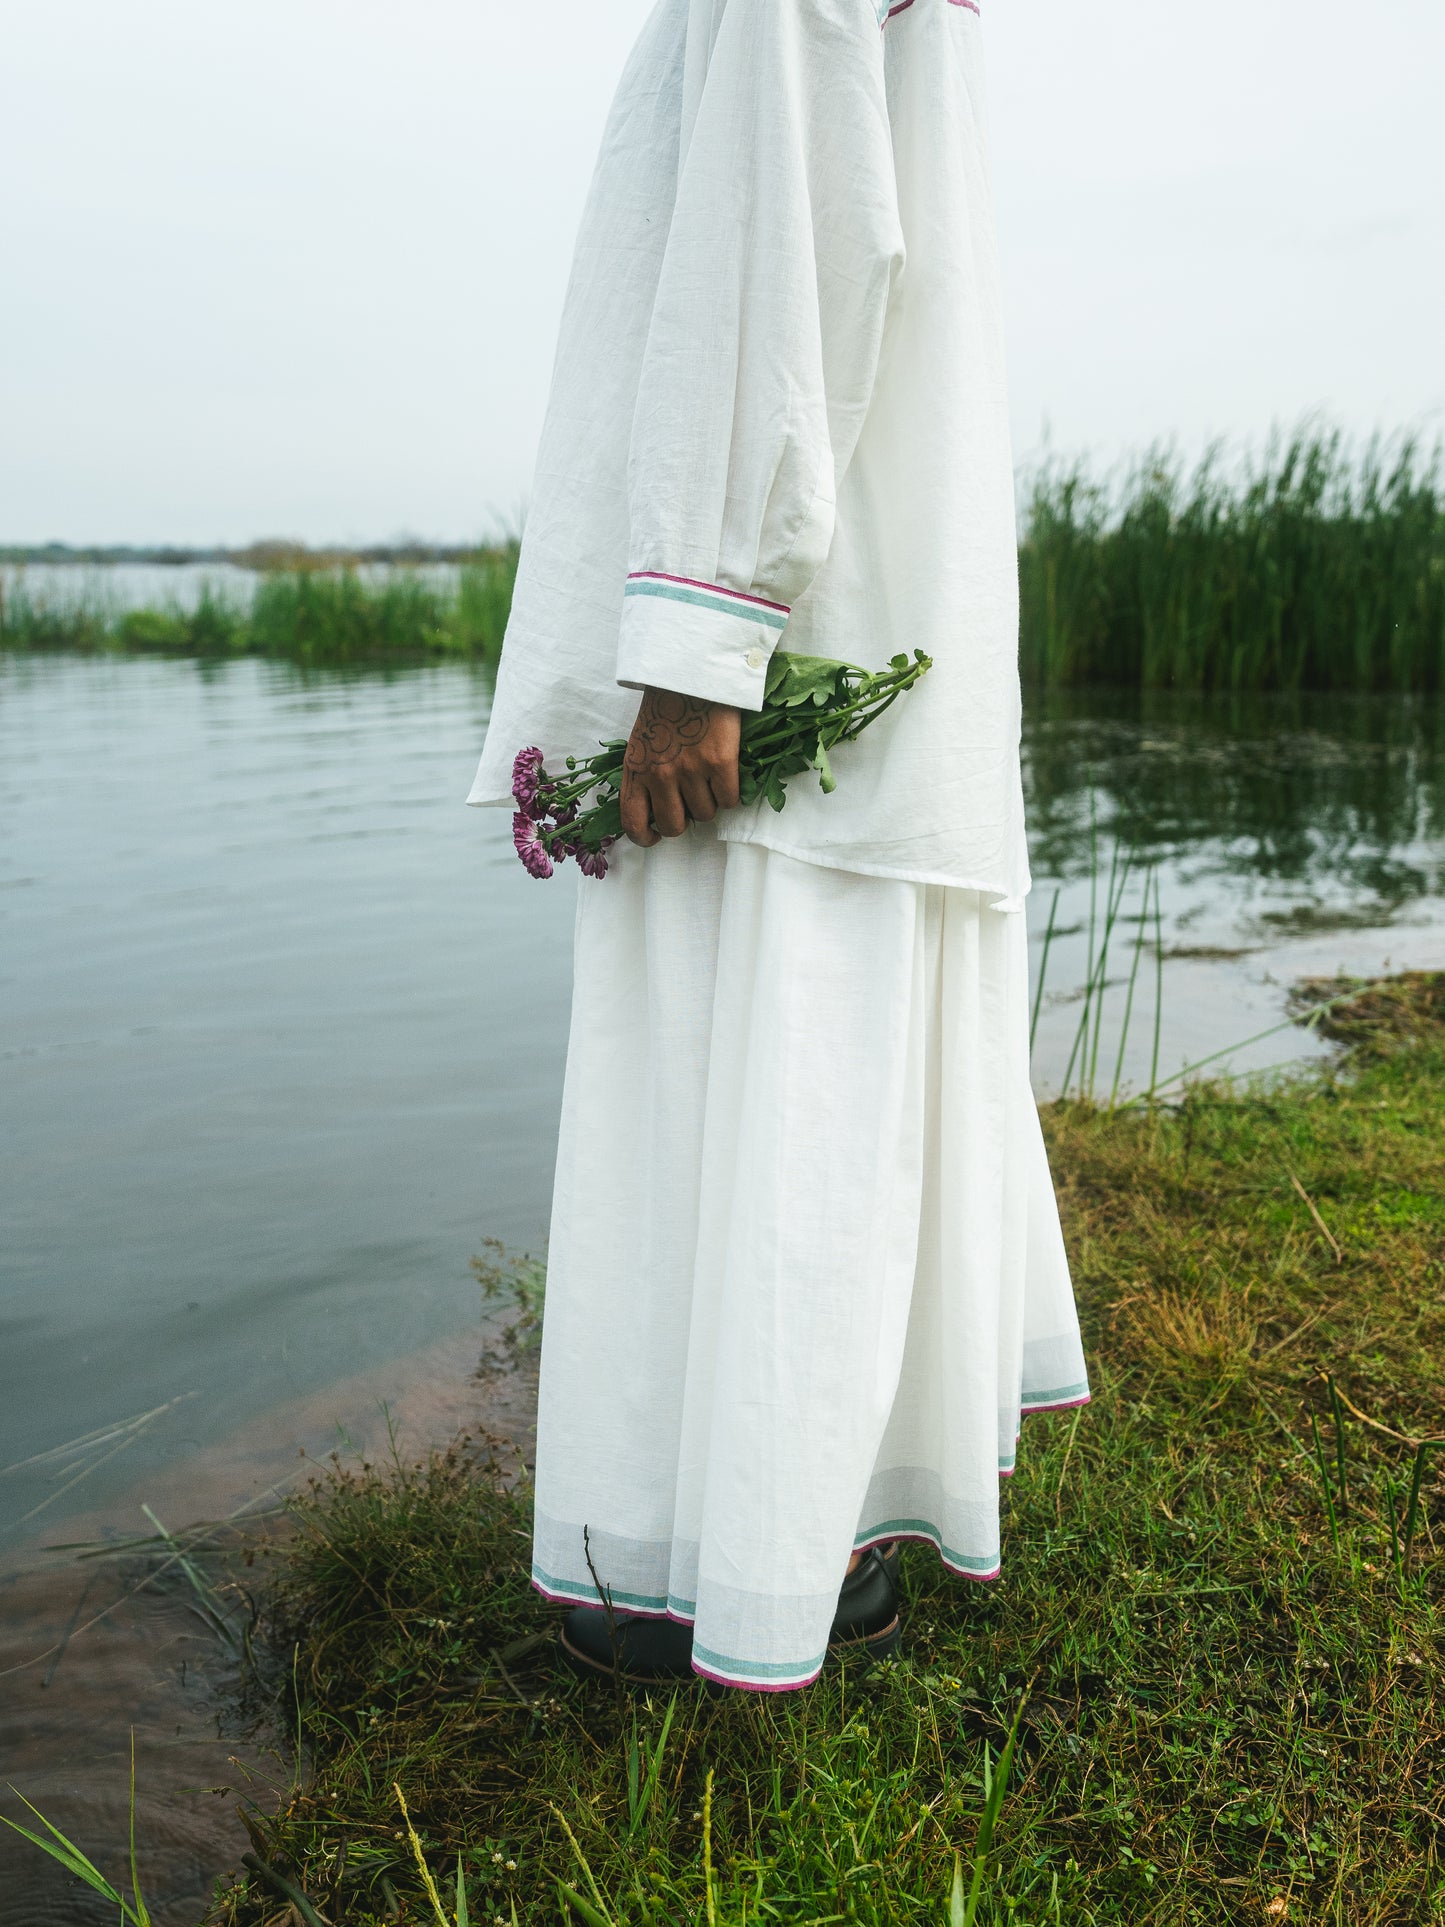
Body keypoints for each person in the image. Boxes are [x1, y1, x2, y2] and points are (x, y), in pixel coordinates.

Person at [468, 0, 1090, 1693]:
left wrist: (696, 642)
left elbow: (782, 251)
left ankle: (729, 1575)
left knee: (746, 1063)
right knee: (831, 1081)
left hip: (790, 624)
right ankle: (812, 1536)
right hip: (893, 588)